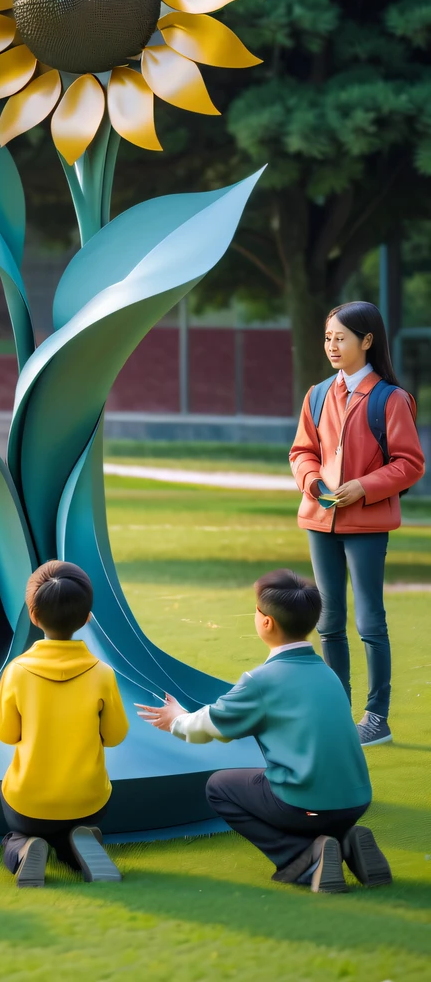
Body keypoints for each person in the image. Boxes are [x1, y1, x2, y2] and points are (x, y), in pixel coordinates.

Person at [137, 569, 391, 894]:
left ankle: (301, 857)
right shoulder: (327, 674)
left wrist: (175, 719)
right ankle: (345, 839)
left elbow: (208, 726)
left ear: (266, 622)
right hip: (355, 801)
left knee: (220, 787)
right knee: (298, 794)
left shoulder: (261, 681)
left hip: (308, 806)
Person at [289, 301, 424, 746]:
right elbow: (301, 452)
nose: (331, 345)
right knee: (328, 620)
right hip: (319, 521)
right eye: (327, 337)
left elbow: (409, 463)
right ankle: (336, 711)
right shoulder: (317, 393)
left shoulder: (391, 398)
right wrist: (311, 481)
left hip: (366, 525)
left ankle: (376, 718)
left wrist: (364, 487)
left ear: (367, 341)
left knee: (369, 620)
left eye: (340, 338)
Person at [0, 560, 129, 887]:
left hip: (28, 805)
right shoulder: (102, 673)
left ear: (33, 616)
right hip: (88, 802)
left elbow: (7, 735)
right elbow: (115, 737)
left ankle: (24, 848)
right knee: (75, 831)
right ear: (87, 618)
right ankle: (77, 847)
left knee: (14, 833)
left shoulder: (17, 671)